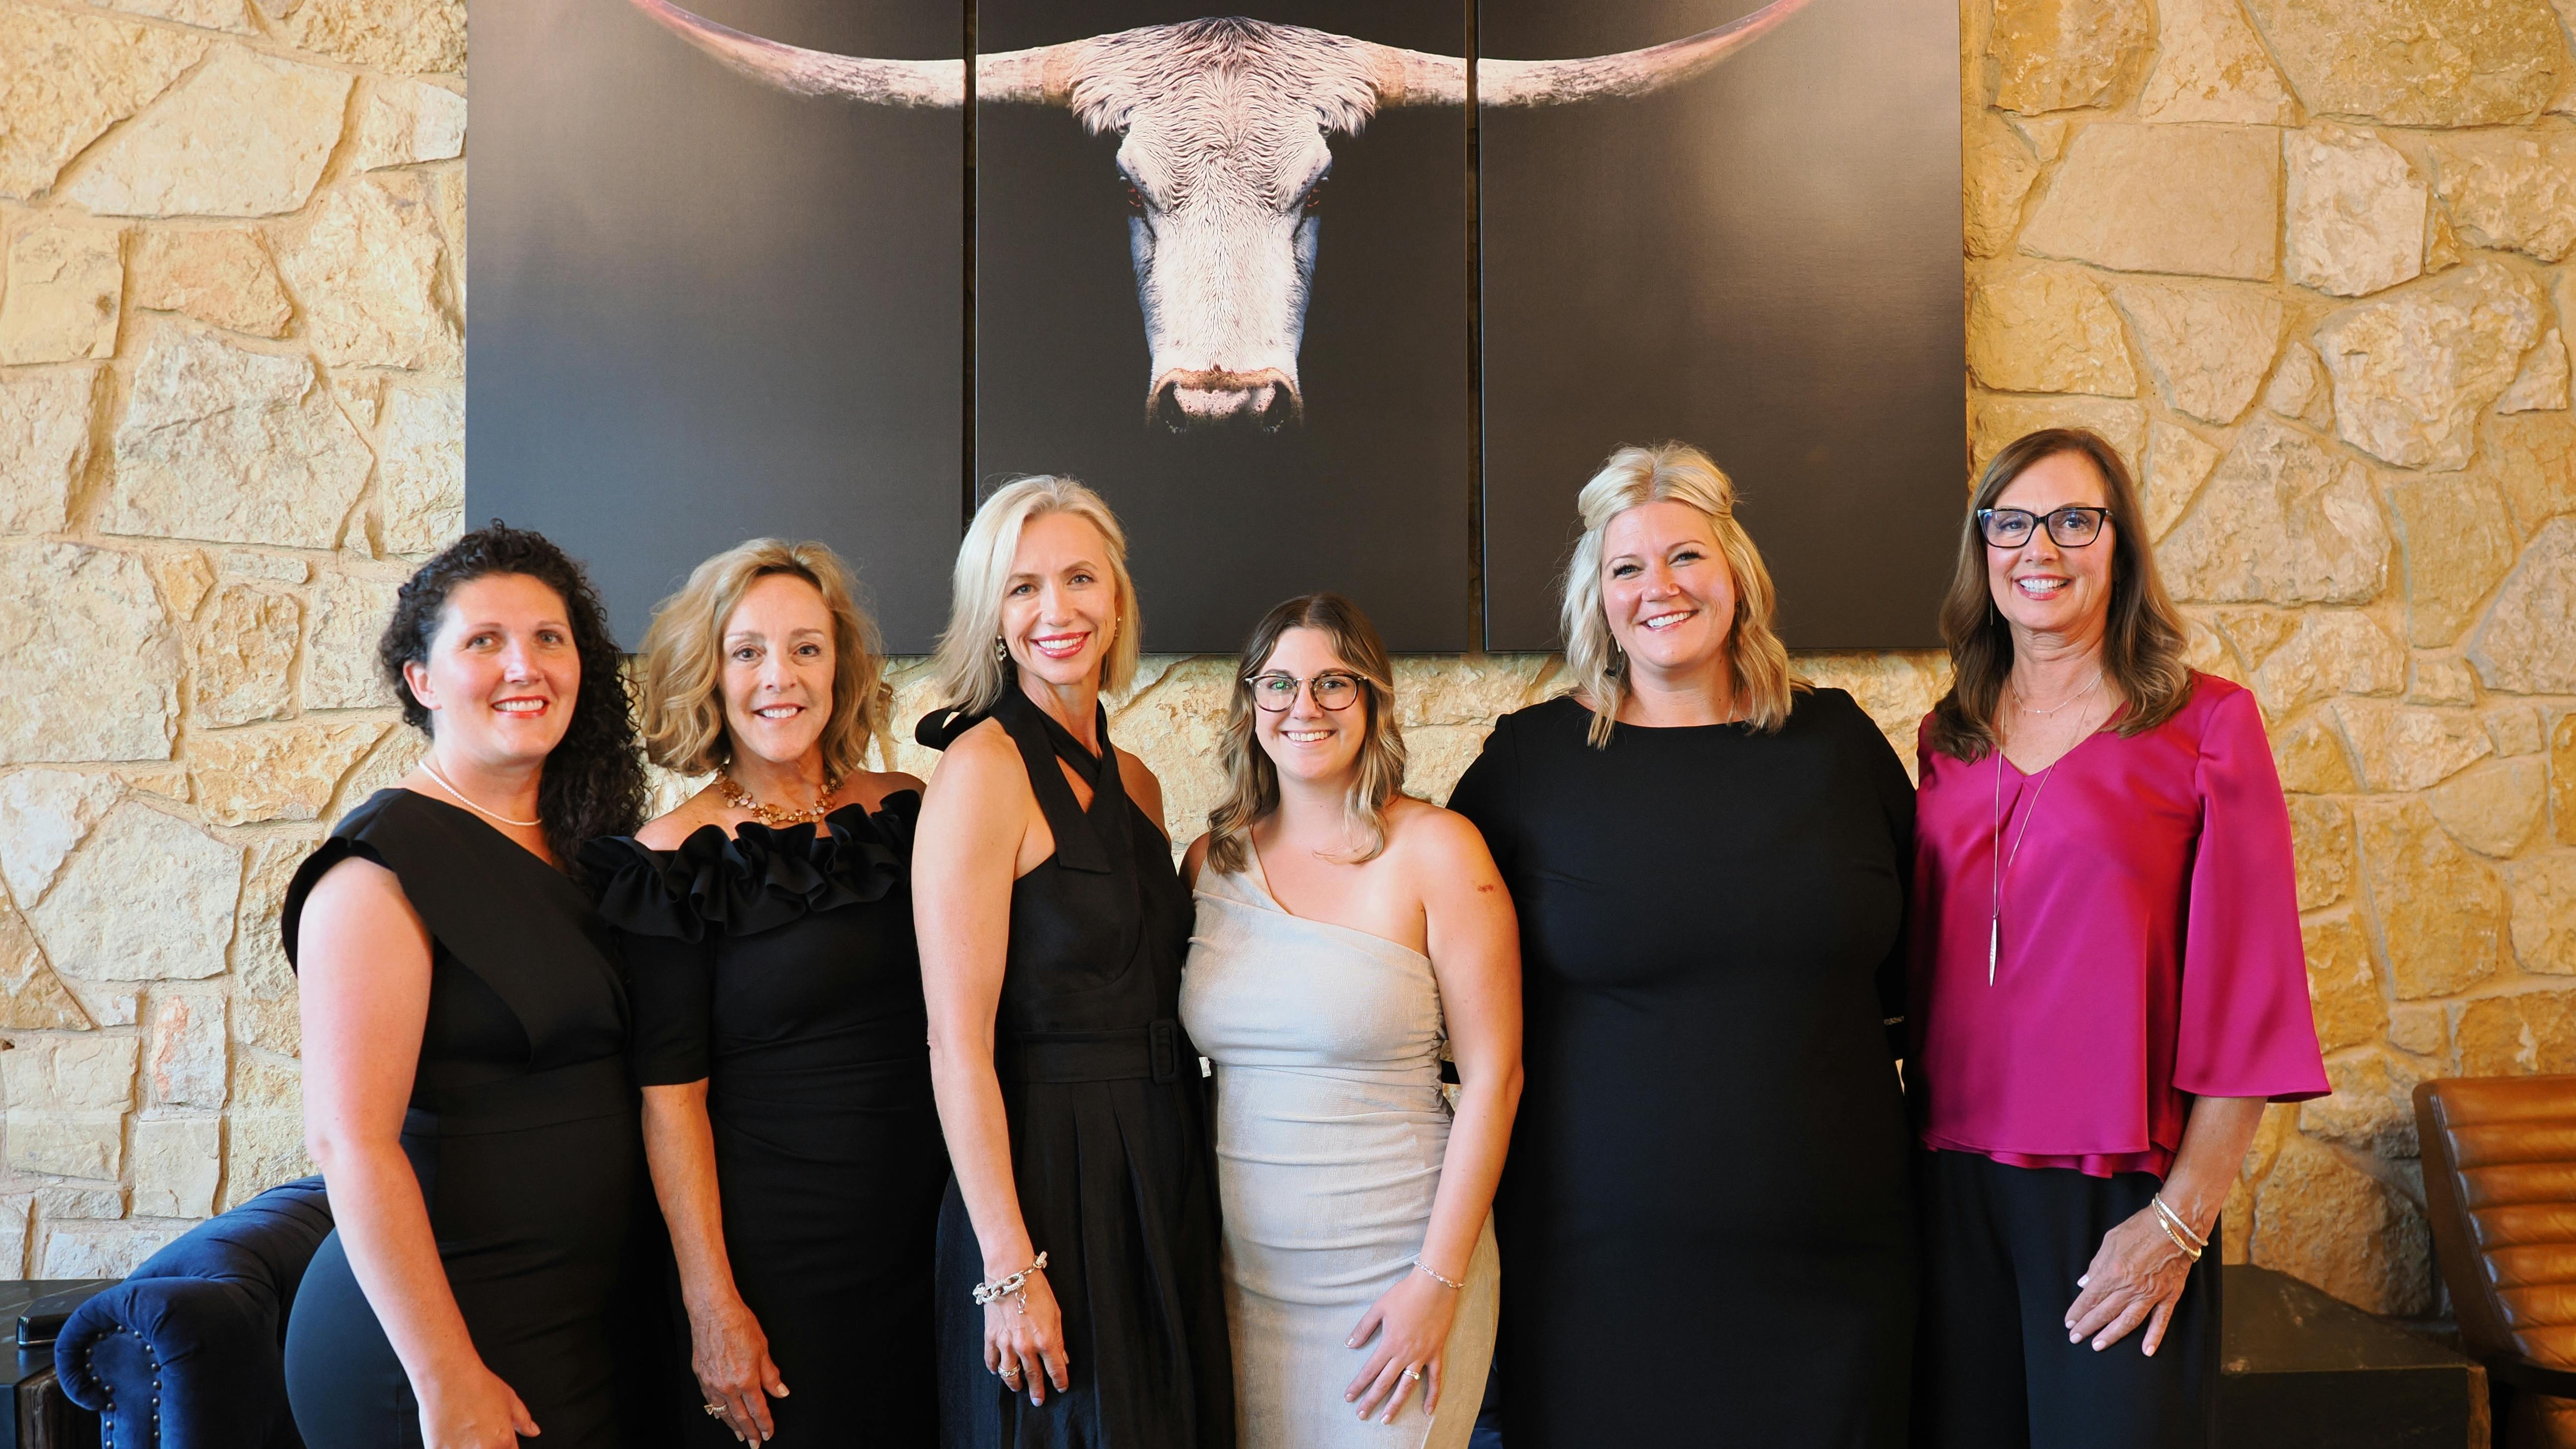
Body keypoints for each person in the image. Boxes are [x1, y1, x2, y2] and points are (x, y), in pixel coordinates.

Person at [1447, 443, 1917, 1449]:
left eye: (1686, 556)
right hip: (1597, 1278)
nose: (1659, 587)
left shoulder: (1840, 747)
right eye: (1628, 567)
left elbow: (1924, 977)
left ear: (1736, 573)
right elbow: (1439, 990)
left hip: (1839, 1270)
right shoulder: (1529, 767)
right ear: (1598, 597)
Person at [1907, 429, 2328, 1449]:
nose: (2040, 548)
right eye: (2012, 522)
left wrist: (2181, 1223)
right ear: (1982, 547)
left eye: (2073, 521)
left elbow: (2251, 1004)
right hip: (1946, 1187)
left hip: (2120, 1194)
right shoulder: (1947, 735)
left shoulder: (2207, 725)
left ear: (2121, 546)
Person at [283, 524, 650, 1449]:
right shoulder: (376, 872)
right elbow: (350, 1142)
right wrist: (444, 1377)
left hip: (579, 1319)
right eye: (484, 641)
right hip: (436, 1343)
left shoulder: (589, 851)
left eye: (549, 638)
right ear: (423, 681)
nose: (525, 666)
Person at [584, 540, 946, 1446]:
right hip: (780, 1265)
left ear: (841, 667)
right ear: (710, 674)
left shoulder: (910, 810)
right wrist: (711, 1303)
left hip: (935, 1238)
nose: (779, 677)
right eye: (747, 652)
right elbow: (671, 1103)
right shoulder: (673, 861)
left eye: (806, 648)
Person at [910, 476, 1234, 1449]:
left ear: (1118, 599)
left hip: (1162, 1163)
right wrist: (1010, 1269)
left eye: (1080, 579)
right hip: (1047, 1180)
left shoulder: (1137, 780)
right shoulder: (981, 772)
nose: (1056, 610)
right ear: (992, 617)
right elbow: (955, 1045)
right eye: (1023, 588)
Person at [1179, 594, 1522, 1449]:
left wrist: (1436, 1285)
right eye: (1279, 684)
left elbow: (1495, 1079)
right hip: (1240, 1284)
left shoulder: (1440, 850)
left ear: (1372, 700)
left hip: (1398, 1279)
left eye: (1334, 682)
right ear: (1250, 701)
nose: (1305, 706)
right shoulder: (1209, 862)